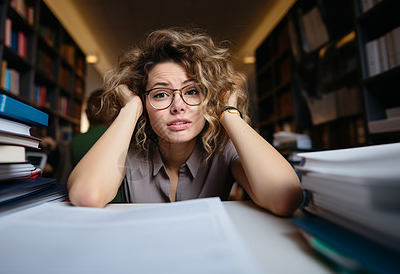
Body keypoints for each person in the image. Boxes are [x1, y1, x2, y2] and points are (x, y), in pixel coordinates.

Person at [67, 27, 303, 216]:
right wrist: (131, 108)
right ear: (145, 103)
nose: (178, 105)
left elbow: (285, 198)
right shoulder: (128, 148)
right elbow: (87, 196)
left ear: (210, 98)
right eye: (160, 94)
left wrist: (228, 112)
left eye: (192, 92)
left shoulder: (224, 149)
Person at [70, 89, 122, 202]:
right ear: (115, 112)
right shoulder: (121, 137)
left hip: (82, 202)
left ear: (87, 114)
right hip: (117, 203)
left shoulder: (75, 141)